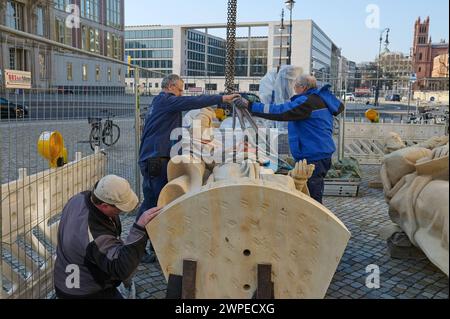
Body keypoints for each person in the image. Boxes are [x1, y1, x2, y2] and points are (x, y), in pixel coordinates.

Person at [137, 74, 239, 262]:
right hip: (155, 160)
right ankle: (139, 248)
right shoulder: (167, 101)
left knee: (154, 202)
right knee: (154, 204)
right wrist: (221, 98)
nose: (181, 93)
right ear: (170, 86)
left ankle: (151, 245)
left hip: (153, 158)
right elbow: (193, 101)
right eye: (180, 89)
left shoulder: (159, 101)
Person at [237, 75, 344, 203]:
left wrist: (251, 106)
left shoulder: (307, 102)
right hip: (321, 153)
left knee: (311, 197)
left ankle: (311, 220)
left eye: (295, 87)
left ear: (303, 87)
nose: (294, 89)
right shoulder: (320, 99)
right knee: (312, 191)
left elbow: (280, 111)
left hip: (313, 156)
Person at [53, 175, 161, 299]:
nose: (121, 212)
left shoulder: (79, 198)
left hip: (66, 280)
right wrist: (139, 229)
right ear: (105, 206)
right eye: (119, 209)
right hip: (83, 292)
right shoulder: (95, 236)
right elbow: (121, 268)